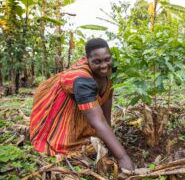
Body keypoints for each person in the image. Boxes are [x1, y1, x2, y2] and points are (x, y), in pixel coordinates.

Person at [30, 38, 134, 171]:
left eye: (107, 59)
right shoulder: (81, 80)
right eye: (97, 62)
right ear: (87, 60)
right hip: (60, 106)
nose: (104, 65)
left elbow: (106, 103)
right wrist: (123, 157)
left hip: (87, 105)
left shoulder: (111, 69)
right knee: (65, 143)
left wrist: (108, 141)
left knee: (98, 132)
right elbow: (98, 121)